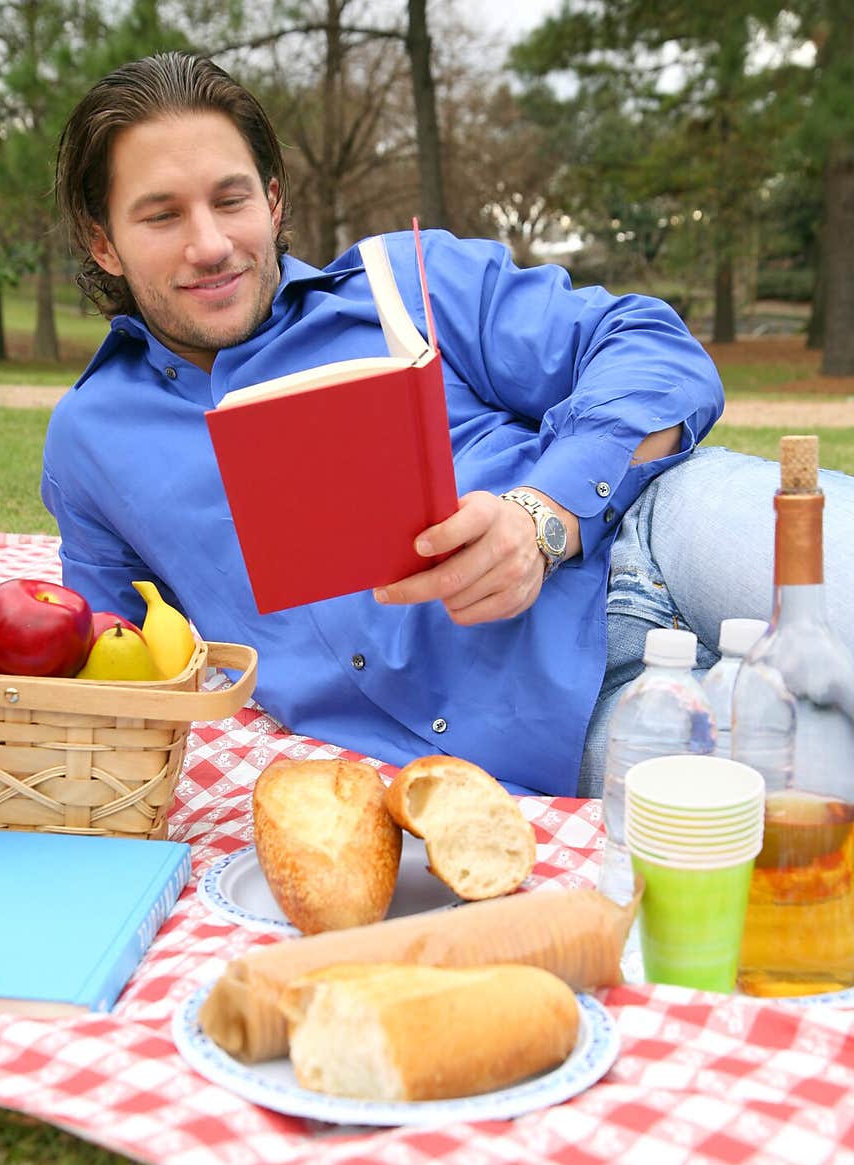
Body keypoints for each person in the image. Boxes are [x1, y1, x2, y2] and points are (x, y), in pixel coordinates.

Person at [42, 51, 854, 799]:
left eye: (231, 199)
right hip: (568, 726)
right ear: (101, 241)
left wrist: (543, 517)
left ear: (274, 200)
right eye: (162, 216)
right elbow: (97, 667)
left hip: (662, 532)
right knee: (820, 789)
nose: (211, 244)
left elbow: (653, 347)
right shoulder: (92, 439)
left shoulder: (408, 278)